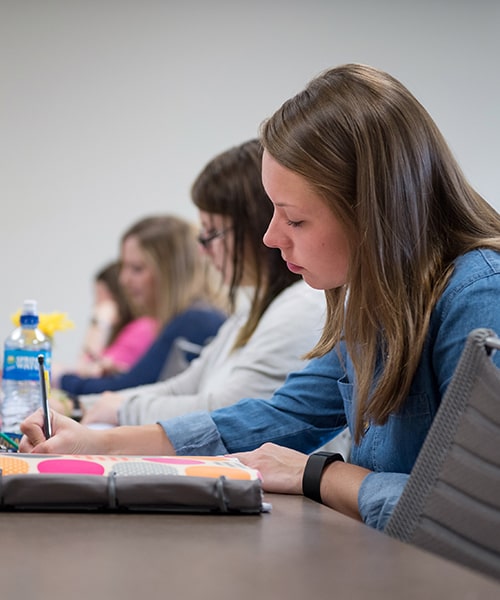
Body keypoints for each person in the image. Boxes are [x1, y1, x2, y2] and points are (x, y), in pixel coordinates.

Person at [20, 64, 500, 532]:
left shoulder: (479, 297)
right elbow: (285, 415)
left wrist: (319, 474)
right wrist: (96, 443)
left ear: (375, 212)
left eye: (294, 219)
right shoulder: (374, 304)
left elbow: (474, 513)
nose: (271, 237)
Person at [62, 139, 326, 428]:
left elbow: (228, 409)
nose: (204, 249)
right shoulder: (247, 316)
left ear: (252, 227)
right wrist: (82, 405)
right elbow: (180, 388)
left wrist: (115, 408)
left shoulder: (301, 305)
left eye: (212, 234)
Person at [53, 214, 227, 399]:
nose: (124, 280)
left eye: (136, 269)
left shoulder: (195, 321)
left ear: (169, 274)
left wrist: (61, 379)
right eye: (124, 267)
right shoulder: (194, 318)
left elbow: (129, 391)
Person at [67, 261, 157, 379]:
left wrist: (99, 323)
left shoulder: (143, 328)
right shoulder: (121, 332)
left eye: (101, 296)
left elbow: (86, 370)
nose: (97, 304)